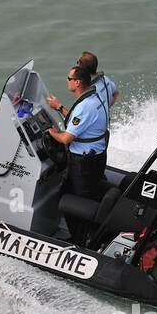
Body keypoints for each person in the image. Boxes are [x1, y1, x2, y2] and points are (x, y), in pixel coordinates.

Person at [46, 56, 117, 242]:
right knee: (86, 192)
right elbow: (80, 122)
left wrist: (49, 131)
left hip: (83, 163)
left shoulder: (84, 106)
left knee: (77, 200)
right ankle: (88, 232)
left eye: (69, 79)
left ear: (77, 83)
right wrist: (60, 107)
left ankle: (80, 240)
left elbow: (65, 138)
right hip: (97, 156)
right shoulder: (96, 96)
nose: (67, 81)